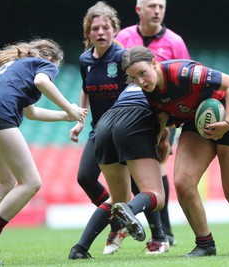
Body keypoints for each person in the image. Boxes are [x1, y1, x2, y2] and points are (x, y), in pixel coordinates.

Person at [121, 46, 229, 257]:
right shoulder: (148, 90)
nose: (141, 81)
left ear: (154, 63)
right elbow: (161, 118)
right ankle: (205, 244)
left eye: (142, 73)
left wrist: (228, 122)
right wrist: (152, 145)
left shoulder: (183, 72)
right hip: (196, 125)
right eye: (134, 78)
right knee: (183, 182)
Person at [0, 38, 87, 265]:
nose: (56, 72)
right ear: (51, 59)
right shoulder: (44, 64)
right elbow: (43, 81)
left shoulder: (16, 66)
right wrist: (69, 106)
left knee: (5, 181)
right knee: (31, 182)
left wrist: (67, 116)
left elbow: (31, 113)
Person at [116, 0, 190, 247]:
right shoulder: (122, 37)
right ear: (139, 10)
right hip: (131, 116)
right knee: (137, 175)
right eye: (152, 6)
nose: (157, 11)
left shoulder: (175, 42)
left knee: (159, 170)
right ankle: (150, 229)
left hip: (162, 117)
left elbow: (184, 77)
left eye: (161, 6)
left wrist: (173, 123)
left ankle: (164, 232)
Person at [69, 84, 171, 259]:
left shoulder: (132, 85)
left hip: (103, 124)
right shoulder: (162, 87)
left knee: (117, 198)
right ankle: (129, 210)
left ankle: (79, 249)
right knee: (156, 195)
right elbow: (162, 118)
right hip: (132, 124)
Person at [68, 1, 129, 255]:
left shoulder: (123, 57)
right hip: (98, 130)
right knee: (84, 177)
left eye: (106, 27)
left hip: (125, 130)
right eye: (95, 28)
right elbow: (86, 87)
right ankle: (117, 220)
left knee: (137, 186)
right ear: (88, 33)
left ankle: (158, 238)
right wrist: (80, 120)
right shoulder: (84, 60)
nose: (101, 32)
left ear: (114, 30)